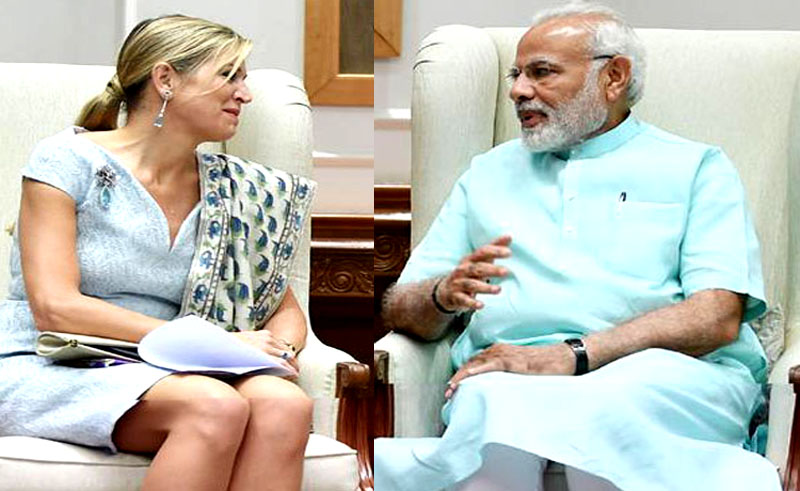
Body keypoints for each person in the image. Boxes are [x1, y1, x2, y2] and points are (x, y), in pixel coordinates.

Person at [375, 3, 782, 490]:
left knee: (606, 405)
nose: (518, 90)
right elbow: (402, 307)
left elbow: (715, 315)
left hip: (665, 374)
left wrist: (574, 356)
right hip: (511, 376)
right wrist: (441, 295)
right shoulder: (487, 173)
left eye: (541, 72)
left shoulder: (697, 168)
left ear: (613, 77)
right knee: (491, 400)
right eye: (516, 75)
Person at [0, 15, 316, 491]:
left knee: (285, 404)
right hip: (55, 359)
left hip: (177, 365)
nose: (245, 95)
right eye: (229, 76)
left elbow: (282, 308)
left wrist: (279, 351)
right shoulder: (66, 160)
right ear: (166, 79)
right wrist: (212, 342)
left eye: (245, 79)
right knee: (214, 404)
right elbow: (55, 307)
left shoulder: (236, 190)